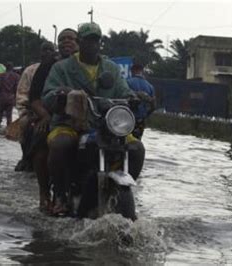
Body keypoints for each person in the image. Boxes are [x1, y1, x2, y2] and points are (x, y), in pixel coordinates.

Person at [42, 22, 145, 215]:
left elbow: (123, 90)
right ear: (79, 42)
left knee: (136, 148)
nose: (92, 45)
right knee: (60, 144)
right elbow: (47, 95)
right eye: (87, 40)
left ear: (100, 43)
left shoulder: (111, 68)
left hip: (105, 125)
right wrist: (62, 95)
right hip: (69, 124)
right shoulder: (61, 68)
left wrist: (133, 97)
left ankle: (119, 188)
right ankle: (61, 196)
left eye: (95, 40)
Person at [25, 28, 79, 211]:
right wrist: (46, 116)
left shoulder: (86, 63)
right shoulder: (49, 64)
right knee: (41, 144)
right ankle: (44, 192)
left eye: (70, 39)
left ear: (78, 42)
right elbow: (34, 98)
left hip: (83, 118)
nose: (66, 42)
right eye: (62, 39)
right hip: (50, 114)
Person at [14, 41, 56, 172]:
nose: (47, 52)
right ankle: (26, 157)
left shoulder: (58, 68)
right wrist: (30, 110)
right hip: (32, 110)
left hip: (54, 111)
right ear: (40, 52)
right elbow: (22, 94)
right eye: (45, 50)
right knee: (24, 125)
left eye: (50, 49)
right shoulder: (30, 70)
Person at [126, 63, 156, 139]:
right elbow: (153, 106)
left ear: (132, 71)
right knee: (137, 143)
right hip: (140, 121)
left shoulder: (127, 82)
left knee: (124, 141)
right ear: (142, 71)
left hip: (127, 118)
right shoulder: (150, 86)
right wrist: (145, 115)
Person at [0, 62, 20, 127]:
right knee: (9, 116)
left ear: (6, 67)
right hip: (11, 98)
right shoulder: (16, 76)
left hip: (2, 98)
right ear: (12, 68)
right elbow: (17, 88)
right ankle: (8, 129)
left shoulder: (1, 75)